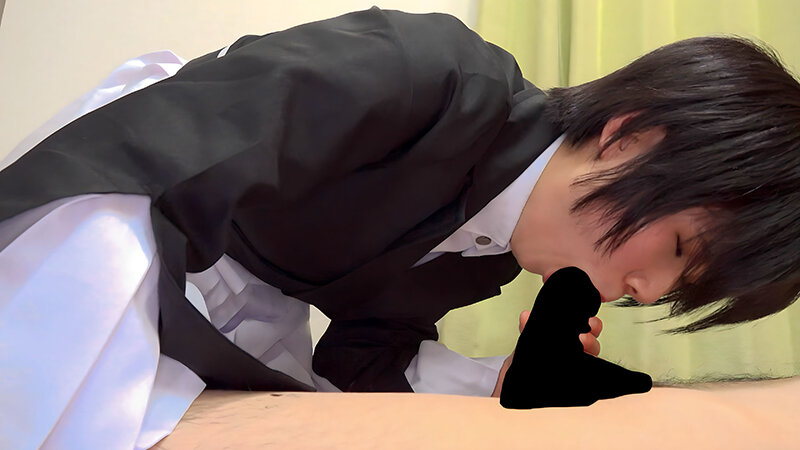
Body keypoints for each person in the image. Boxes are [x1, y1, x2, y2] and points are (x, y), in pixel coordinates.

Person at [1, 6, 799, 449]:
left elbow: (359, 356)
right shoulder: (430, 72)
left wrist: (498, 383)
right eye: (680, 248)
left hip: (220, 274)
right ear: (630, 138)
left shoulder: (489, 255)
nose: (646, 292)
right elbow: (167, 148)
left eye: (681, 287)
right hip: (118, 196)